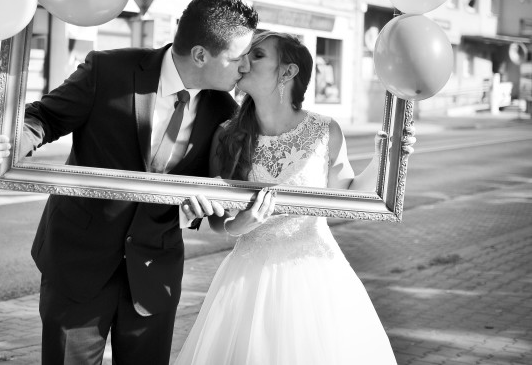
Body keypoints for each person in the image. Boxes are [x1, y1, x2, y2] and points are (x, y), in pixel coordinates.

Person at [0, 0, 258, 365]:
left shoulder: (226, 113)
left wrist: (205, 208)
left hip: (154, 275)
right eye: (238, 58)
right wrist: (9, 141)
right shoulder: (109, 69)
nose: (245, 67)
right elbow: (46, 117)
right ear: (201, 55)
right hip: (78, 262)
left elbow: (210, 196)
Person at [174, 30, 415, 365]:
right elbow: (218, 221)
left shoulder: (325, 131)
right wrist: (240, 224)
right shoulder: (226, 135)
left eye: (257, 55)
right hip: (247, 279)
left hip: (315, 276)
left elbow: (347, 197)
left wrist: (384, 157)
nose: (243, 61)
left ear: (287, 71)